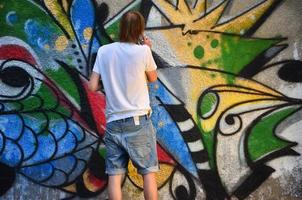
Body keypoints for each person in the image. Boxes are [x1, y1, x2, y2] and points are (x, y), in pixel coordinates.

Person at [88, 11, 159, 200]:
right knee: (148, 174)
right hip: (138, 123)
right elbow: (153, 78)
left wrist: (111, 82)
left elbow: (93, 86)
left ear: (121, 28)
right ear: (140, 30)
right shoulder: (143, 51)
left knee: (114, 176)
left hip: (113, 123)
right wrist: (148, 49)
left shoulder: (104, 51)